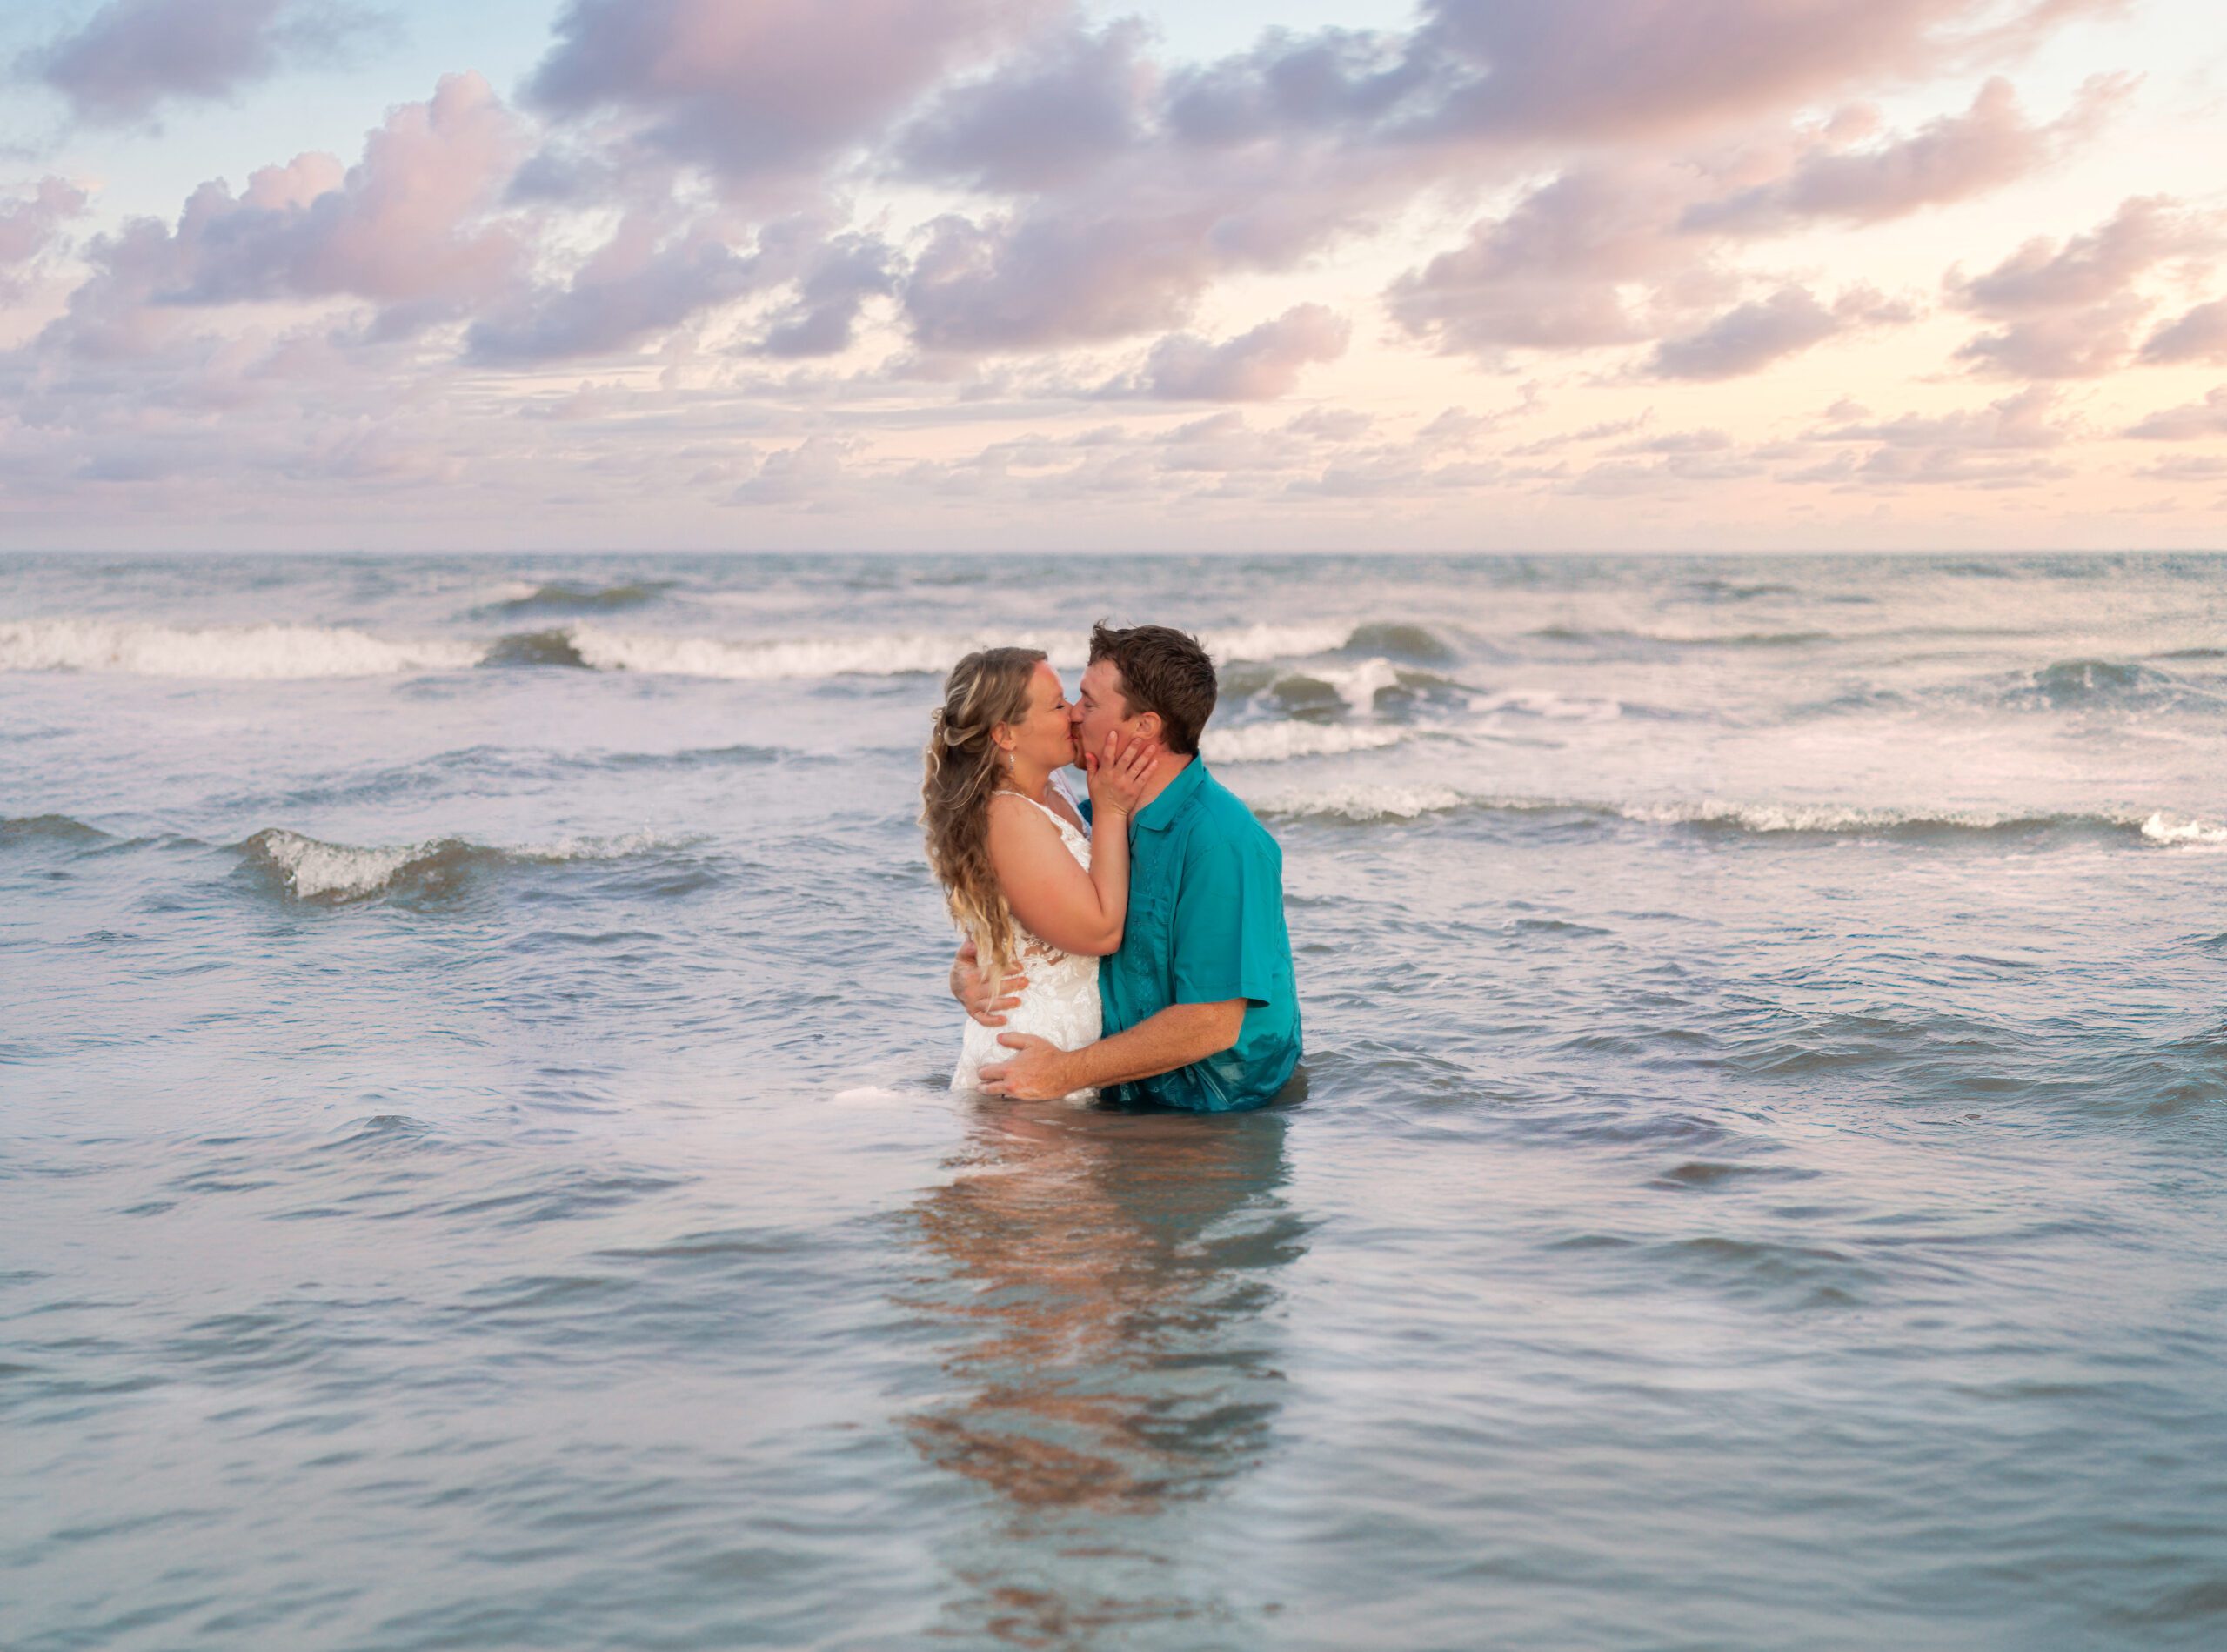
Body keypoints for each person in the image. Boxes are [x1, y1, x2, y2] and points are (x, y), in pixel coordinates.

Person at [957, 623, 1303, 1113]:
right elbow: (1046, 916)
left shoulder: (1222, 842)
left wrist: (1066, 1071)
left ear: (1145, 726)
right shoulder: (1098, 815)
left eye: (1088, 703)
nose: (1073, 716)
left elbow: (1211, 1022)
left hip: (1215, 1108)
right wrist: (973, 963)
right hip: (1125, 1094)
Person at [922, 646, 1158, 1099]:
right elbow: (1101, 933)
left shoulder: (1052, 789)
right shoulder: (1007, 816)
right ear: (1006, 735)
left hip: (1064, 1049)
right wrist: (1109, 809)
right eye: (1057, 705)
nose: (1073, 714)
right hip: (1028, 1057)